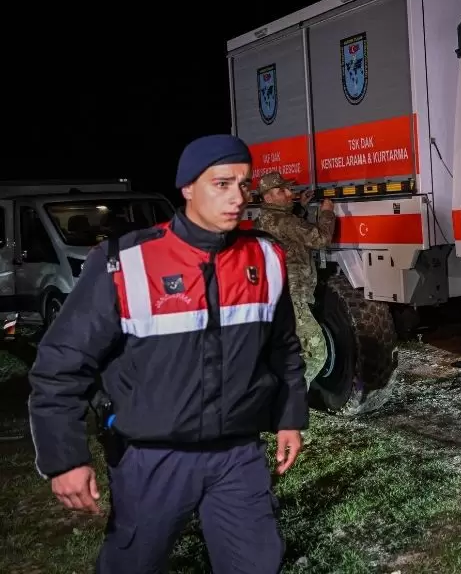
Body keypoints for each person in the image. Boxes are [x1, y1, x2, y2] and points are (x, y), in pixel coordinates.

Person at [26, 133, 309, 574]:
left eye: (243, 183)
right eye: (221, 184)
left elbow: (283, 349)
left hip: (238, 455)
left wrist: (290, 417)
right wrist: (65, 458)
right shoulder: (125, 261)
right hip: (151, 459)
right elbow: (60, 366)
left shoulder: (267, 257)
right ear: (188, 188)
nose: (237, 197)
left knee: (256, 564)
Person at [254, 171, 335, 387]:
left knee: (289, 350)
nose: (290, 193)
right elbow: (320, 238)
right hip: (294, 297)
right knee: (317, 353)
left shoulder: (262, 218)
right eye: (281, 190)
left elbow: (286, 233)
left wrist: (300, 208)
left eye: (288, 189)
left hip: (279, 296)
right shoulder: (285, 221)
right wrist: (327, 213)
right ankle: (290, 399)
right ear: (268, 197)